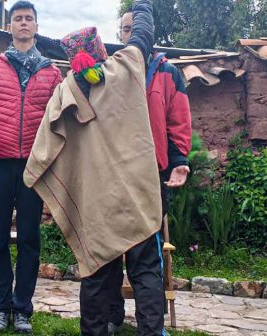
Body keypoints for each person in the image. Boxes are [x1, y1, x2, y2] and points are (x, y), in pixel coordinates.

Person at [24, 0, 165, 334]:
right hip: (139, 194)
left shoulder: (63, 95)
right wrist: (143, 6)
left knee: (97, 273)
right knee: (146, 270)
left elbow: (41, 155)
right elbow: (142, 36)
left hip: (96, 202)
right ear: (100, 49)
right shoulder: (125, 68)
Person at [0, 0, 62, 333]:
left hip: (33, 167)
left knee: (29, 238)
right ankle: (0, 308)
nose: (23, 23)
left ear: (36, 26)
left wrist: (51, 157)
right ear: (9, 27)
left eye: (28, 19)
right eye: (18, 18)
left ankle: (22, 308)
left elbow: (56, 118)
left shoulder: (52, 73)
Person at [106, 9, 193, 335]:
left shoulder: (168, 72)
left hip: (150, 178)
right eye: (124, 29)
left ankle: (151, 329)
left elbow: (178, 120)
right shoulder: (113, 70)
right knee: (110, 252)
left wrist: (178, 159)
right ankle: (112, 317)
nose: (129, 34)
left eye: (134, 28)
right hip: (113, 176)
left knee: (145, 258)